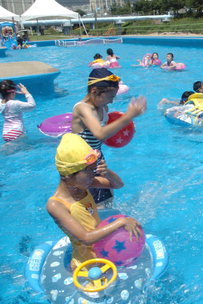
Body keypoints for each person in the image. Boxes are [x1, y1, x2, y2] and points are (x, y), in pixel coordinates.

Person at [46, 133, 141, 270]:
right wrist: (120, 222)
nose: (93, 175)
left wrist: (107, 172)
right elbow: (85, 237)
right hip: (87, 265)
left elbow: (118, 184)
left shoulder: (84, 184)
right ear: (67, 176)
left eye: (94, 170)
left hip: (105, 252)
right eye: (89, 171)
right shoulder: (56, 205)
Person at [71, 68, 147, 206]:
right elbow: (99, 133)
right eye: (110, 97)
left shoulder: (103, 107)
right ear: (94, 91)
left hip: (98, 162)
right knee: (87, 205)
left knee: (106, 201)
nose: (111, 102)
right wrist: (129, 116)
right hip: (82, 168)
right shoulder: (83, 108)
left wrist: (126, 128)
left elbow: (105, 134)